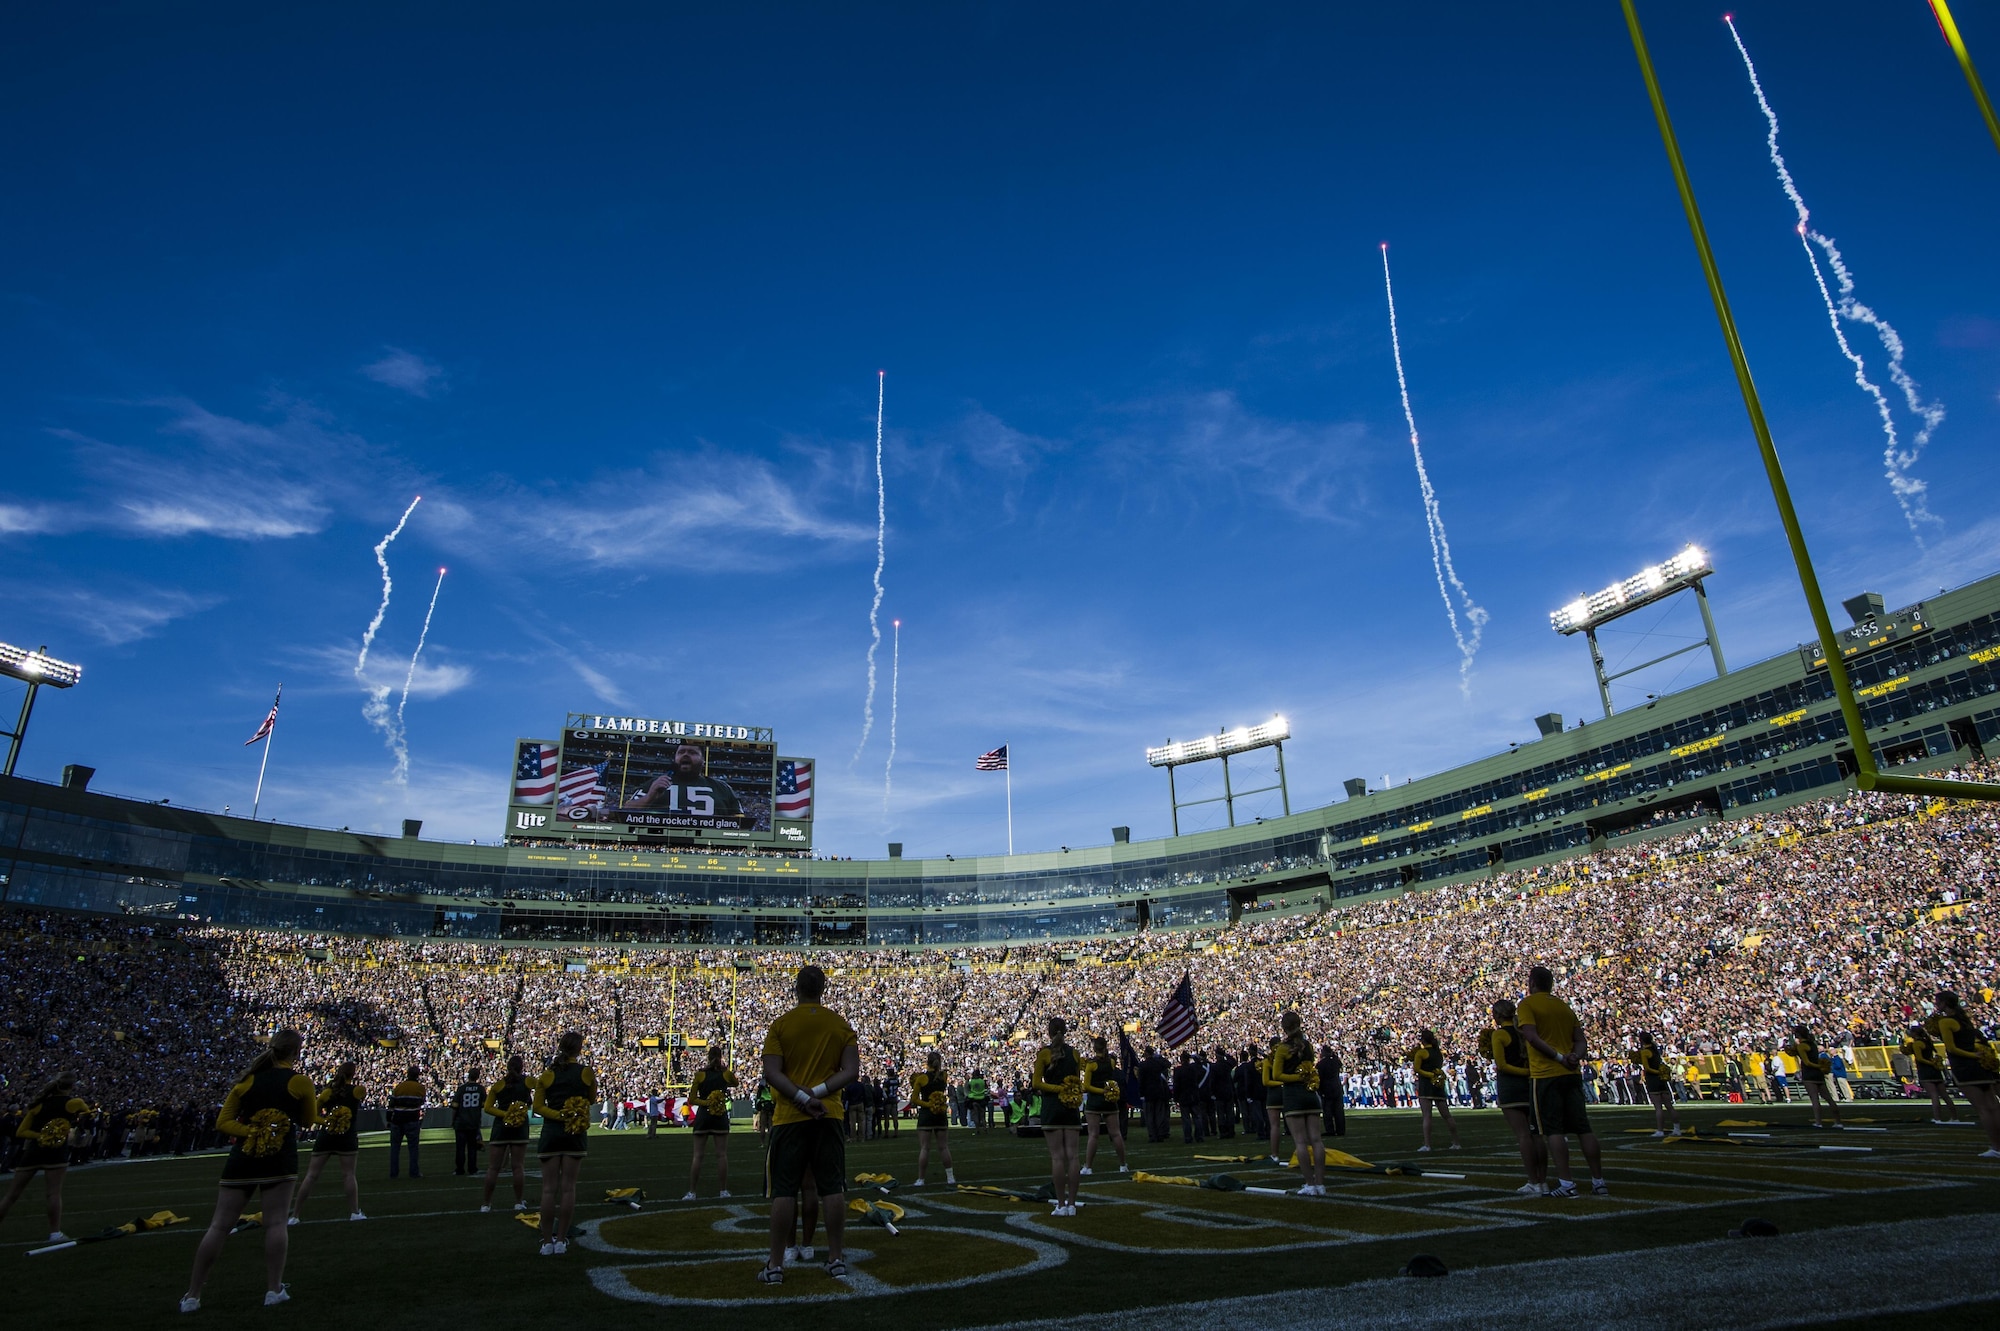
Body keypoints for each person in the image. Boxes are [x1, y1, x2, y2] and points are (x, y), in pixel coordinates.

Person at [179, 1029, 318, 1312]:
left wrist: (250, 1132)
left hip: (242, 1158)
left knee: (218, 1226)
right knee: (277, 1223)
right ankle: (273, 1289)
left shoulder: (246, 1081)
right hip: (279, 1158)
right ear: (295, 1052)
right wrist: (267, 1131)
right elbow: (307, 1121)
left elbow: (223, 1122)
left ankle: (192, 1295)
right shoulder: (300, 1081)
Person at [758, 964, 859, 1285]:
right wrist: (817, 1093)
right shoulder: (840, 1025)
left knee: (784, 1191)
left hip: (790, 1117)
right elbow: (851, 1071)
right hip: (828, 1114)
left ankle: (775, 1265)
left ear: (796, 988)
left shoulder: (781, 1025)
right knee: (831, 1188)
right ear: (823, 989)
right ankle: (835, 1258)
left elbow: (772, 1073)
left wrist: (802, 1098)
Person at [1517, 965, 1607, 1198]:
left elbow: (1531, 1036)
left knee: (1553, 1131)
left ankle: (1567, 1183)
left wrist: (1558, 1057)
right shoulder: (1563, 1005)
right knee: (1583, 1128)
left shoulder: (1527, 1004)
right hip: (1571, 1073)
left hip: (1546, 1074)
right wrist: (1575, 1056)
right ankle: (1599, 1181)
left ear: (1532, 983)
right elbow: (1580, 1040)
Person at [0, 1071, 88, 1243]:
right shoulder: (74, 1103)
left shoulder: (38, 1105)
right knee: (53, 1193)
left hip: (33, 1151)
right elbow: (87, 1112)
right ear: (71, 1086)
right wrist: (53, 1135)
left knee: (11, 1195)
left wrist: (40, 1136)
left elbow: (21, 1132)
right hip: (56, 1151)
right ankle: (54, 1233)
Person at [532, 1032, 595, 1256]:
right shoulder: (586, 1072)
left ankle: (546, 1241)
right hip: (574, 1133)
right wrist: (569, 1116)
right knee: (568, 1188)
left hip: (551, 1133)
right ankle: (561, 1240)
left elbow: (537, 1108)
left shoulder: (548, 1074)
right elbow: (592, 1099)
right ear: (579, 1049)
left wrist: (558, 1116)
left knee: (548, 1190)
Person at [1479, 999, 1545, 1196]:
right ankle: (1543, 1180)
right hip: (1530, 1086)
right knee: (1537, 1134)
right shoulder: (1523, 1032)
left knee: (1523, 1135)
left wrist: (1524, 1072)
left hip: (1511, 1086)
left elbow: (1502, 1065)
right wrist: (1529, 1073)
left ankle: (1533, 1181)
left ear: (1498, 1016)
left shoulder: (1499, 1034)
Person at [289, 1061, 365, 1225]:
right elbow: (360, 1095)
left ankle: (295, 1215)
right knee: (349, 1175)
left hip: (326, 1136)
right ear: (353, 1073)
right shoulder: (358, 1090)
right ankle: (354, 1212)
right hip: (347, 1136)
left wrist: (327, 1123)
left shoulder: (327, 1092)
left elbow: (313, 1115)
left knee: (311, 1176)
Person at [1929, 990, 2000, 1158]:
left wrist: (1973, 1055)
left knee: (1983, 1109)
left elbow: (1952, 1048)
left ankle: (1996, 1148)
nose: (1936, 1005)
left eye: (1938, 1002)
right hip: (1980, 1066)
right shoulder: (1964, 1019)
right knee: (1994, 1106)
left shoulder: (1946, 1022)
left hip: (1964, 1066)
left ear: (1944, 1004)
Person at [1031, 1017, 1084, 1217]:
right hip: (1070, 1107)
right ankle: (1072, 1204)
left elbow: (1036, 1083)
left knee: (1057, 1157)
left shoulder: (1044, 1054)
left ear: (1049, 1032)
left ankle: (1061, 1204)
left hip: (1052, 1107)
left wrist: (1056, 1088)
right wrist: (1066, 1090)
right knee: (1073, 1156)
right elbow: (1076, 1083)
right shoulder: (1075, 1054)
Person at [1268, 1012, 1325, 1195]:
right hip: (1310, 1094)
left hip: (1293, 1095)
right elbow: (1310, 1068)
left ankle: (1310, 1184)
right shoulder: (1308, 1046)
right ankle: (1321, 1184)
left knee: (1300, 1142)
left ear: (1284, 1028)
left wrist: (1295, 1078)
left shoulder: (1282, 1049)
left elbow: (1277, 1076)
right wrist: (1303, 1078)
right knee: (1316, 1140)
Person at [625, 743, 745, 822]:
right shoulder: (655, 783)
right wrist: (649, 797)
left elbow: (741, 823)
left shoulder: (722, 788)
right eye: (681, 752)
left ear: (703, 760)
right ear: (675, 758)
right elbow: (625, 812)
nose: (686, 755)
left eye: (692, 752)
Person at [481, 1055, 534, 1212]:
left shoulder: (498, 1085)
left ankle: (486, 1204)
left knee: (493, 1168)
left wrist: (505, 1114)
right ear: (522, 1067)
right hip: (519, 1127)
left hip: (500, 1128)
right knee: (518, 1167)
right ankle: (518, 1202)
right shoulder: (528, 1081)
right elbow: (542, 1087)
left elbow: (488, 1108)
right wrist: (514, 1113)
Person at [684, 1045, 737, 1200]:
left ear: (708, 1057)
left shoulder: (700, 1074)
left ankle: (692, 1192)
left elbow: (692, 1099)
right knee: (721, 1155)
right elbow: (735, 1083)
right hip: (719, 1116)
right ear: (721, 1057)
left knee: (697, 1156)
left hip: (703, 1117)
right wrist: (715, 1102)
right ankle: (723, 1191)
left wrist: (707, 1103)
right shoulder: (725, 1073)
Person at [1080, 1035, 1128, 1175]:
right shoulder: (1112, 1061)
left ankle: (1088, 1167)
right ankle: (1123, 1165)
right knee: (1116, 1134)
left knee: (1093, 1135)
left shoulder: (1091, 1064)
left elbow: (1087, 1086)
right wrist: (1107, 1091)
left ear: (1094, 1048)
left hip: (1095, 1102)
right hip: (1109, 1101)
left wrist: (1102, 1091)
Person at [909, 1051, 956, 1186]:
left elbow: (914, 1100)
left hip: (926, 1115)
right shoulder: (944, 1075)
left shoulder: (921, 1078)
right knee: (944, 1147)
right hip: (940, 1114)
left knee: (925, 1148)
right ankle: (950, 1177)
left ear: (927, 1062)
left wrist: (928, 1104)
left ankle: (921, 1179)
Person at [1409, 1029, 1460, 1152]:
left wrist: (1429, 1075)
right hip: (1438, 1084)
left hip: (1426, 1085)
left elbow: (1417, 1069)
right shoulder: (1438, 1053)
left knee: (1427, 1116)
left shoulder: (1421, 1053)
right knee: (1447, 1115)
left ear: (1423, 1040)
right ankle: (1456, 1142)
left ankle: (1427, 1145)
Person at [1784, 1025, 1842, 1129]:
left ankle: (1818, 1122)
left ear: (1798, 1035)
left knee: (1815, 1099)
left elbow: (1807, 1062)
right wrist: (1820, 1067)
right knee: (1829, 1099)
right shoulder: (1813, 1044)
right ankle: (1838, 1122)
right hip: (1818, 1073)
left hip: (1809, 1074)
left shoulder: (1802, 1046)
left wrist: (1819, 1066)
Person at [1903, 1023, 1957, 1123]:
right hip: (1935, 1070)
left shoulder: (1917, 1044)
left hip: (1925, 1070)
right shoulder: (1927, 1042)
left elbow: (1920, 1058)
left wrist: (1931, 1063)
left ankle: (1937, 1118)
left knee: (1934, 1095)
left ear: (1915, 1034)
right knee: (1945, 1095)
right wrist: (1934, 1064)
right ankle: (1954, 1117)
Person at [1634, 1032, 1681, 1138]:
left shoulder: (1645, 1051)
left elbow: (1647, 1068)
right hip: (1661, 1079)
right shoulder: (1655, 1049)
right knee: (1669, 1106)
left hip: (1653, 1079)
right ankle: (1677, 1129)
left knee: (1658, 1107)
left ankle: (1660, 1130)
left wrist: (1656, 1073)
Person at [385, 1066, 426, 1179]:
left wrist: (389, 1120)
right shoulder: (420, 1088)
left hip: (397, 1121)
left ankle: (394, 1173)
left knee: (395, 1148)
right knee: (413, 1148)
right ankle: (414, 1172)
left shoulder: (399, 1087)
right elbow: (421, 1102)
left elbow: (391, 1106)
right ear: (418, 1075)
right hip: (412, 1120)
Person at [451, 1065, 486, 1175]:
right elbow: (483, 1105)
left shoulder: (461, 1089)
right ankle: (472, 1168)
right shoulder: (481, 1089)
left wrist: (453, 1120)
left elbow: (455, 1107)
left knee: (460, 1148)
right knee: (472, 1147)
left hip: (461, 1122)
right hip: (473, 1122)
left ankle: (460, 1169)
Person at [1137, 1045, 1171, 1144]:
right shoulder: (1157, 1063)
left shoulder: (1143, 1065)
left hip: (1148, 1093)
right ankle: (1160, 1134)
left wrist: (1141, 1092)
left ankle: (1152, 1135)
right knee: (1159, 1115)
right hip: (1158, 1091)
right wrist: (1159, 1057)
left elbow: (1141, 1080)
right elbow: (1167, 1064)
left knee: (1150, 1115)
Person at [1316, 1044, 1346, 1139]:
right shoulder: (1336, 1061)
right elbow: (1339, 1064)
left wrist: (1320, 1090)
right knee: (1339, 1111)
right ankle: (1340, 1129)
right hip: (1337, 1087)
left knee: (1327, 1111)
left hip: (1327, 1089)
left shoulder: (1321, 1064)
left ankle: (1330, 1130)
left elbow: (1319, 1078)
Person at [964, 1068, 990, 1133]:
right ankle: (985, 1129)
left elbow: (967, 1088)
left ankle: (977, 1129)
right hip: (982, 1099)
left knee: (975, 1115)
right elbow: (986, 1089)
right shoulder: (982, 1081)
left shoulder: (971, 1082)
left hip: (973, 1099)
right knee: (982, 1116)